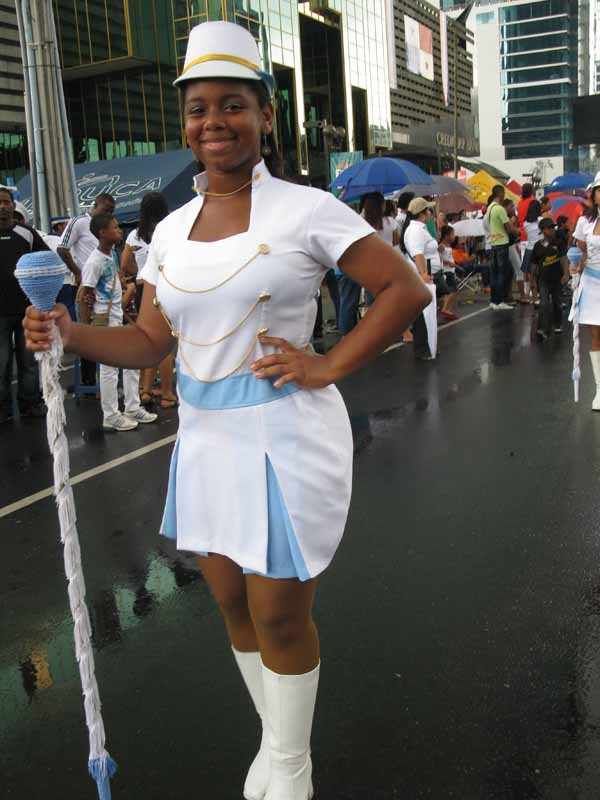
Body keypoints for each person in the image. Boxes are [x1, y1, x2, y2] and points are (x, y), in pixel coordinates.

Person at [24, 21, 430, 800]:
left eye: (233, 105)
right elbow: (149, 341)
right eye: (198, 108)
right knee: (230, 601)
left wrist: (326, 364)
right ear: (185, 123)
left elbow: (404, 288)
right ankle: (275, 739)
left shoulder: (307, 210)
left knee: (279, 614)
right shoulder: (170, 231)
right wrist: (68, 333)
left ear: (265, 115)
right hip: (206, 438)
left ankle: (292, 766)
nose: (214, 121)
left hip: (283, 434)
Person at [80, 212, 158, 431]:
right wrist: (86, 330)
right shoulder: (94, 262)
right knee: (110, 370)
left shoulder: (111, 255)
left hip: (119, 317)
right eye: (114, 228)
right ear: (102, 233)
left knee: (131, 363)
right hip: (105, 322)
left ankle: (132, 407)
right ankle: (111, 415)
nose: (119, 231)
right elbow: (85, 296)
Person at [121, 192, 177, 409]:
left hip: (143, 288)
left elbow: (125, 264)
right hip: (166, 286)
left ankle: (145, 390)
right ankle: (167, 393)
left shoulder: (135, 235)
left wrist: (141, 271)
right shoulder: (170, 230)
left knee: (149, 339)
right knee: (166, 343)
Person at [0, 187, 48, 422]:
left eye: (6, 202)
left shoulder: (27, 233)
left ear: (13, 205)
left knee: (29, 362)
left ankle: (30, 404)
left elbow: (46, 260)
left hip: (27, 311)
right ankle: (3, 410)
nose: (2, 206)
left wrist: (42, 298)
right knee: (1, 365)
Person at [58, 193, 116, 385]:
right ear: (95, 205)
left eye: (111, 211)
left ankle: (107, 378)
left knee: (107, 330)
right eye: (105, 210)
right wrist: (78, 272)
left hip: (105, 287)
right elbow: (62, 248)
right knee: (87, 331)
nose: (107, 214)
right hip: (86, 286)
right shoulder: (79, 222)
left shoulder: (106, 227)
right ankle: (89, 380)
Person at [571, 172, 600, 411]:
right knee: (595, 336)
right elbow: (581, 251)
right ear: (595, 194)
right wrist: (576, 266)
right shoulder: (584, 222)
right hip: (591, 283)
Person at [400, 197, 437, 360]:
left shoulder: (418, 228)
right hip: (420, 275)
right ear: (422, 214)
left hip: (422, 273)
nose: (430, 212)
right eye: (428, 210)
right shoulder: (416, 230)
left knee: (425, 313)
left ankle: (428, 346)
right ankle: (423, 349)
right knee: (423, 314)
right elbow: (418, 254)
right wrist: (423, 274)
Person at [530, 218, 569, 340]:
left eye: (553, 227)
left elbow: (564, 259)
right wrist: (532, 280)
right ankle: (543, 329)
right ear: (543, 230)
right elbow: (534, 264)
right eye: (550, 228)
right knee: (544, 304)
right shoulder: (537, 246)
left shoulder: (559, 243)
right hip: (543, 280)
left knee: (557, 303)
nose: (552, 230)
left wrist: (566, 274)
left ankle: (557, 324)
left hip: (557, 279)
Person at [485, 184, 520, 311]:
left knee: (495, 274)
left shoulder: (490, 208)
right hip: (502, 244)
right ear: (500, 194)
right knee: (503, 273)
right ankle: (500, 301)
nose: (504, 196)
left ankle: (494, 301)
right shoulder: (499, 209)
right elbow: (508, 227)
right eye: (503, 193)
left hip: (494, 244)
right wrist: (517, 231)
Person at [502, 197, 527, 304]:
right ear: (506, 207)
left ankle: (510, 296)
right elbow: (510, 230)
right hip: (508, 246)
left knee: (509, 271)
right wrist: (514, 227)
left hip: (509, 245)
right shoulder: (505, 217)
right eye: (511, 206)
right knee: (518, 269)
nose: (513, 208)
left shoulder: (508, 217)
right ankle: (522, 296)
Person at [439, 225, 459, 320]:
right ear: (447, 236)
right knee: (454, 291)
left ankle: (447, 309)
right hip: (447, 271)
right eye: (452, 234)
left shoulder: (448, 246)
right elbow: (438, 258)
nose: (454, 236)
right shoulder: (442, 246)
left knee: (450, 291)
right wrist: (448, 263)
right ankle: (445, 308)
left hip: (451, 270)